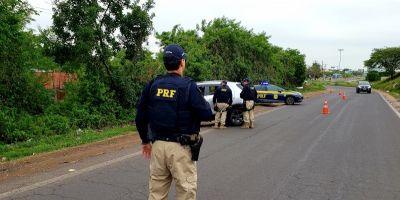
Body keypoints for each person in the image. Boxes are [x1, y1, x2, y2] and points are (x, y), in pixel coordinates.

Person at [135, 44, 212, 200]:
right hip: (181, 148)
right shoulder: (188, 86)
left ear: (165, 63)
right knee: (185, 191)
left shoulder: (152, 85)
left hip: (157, 147)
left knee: (156, 194)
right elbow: (206, 113)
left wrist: (145, 141)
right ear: (182, 62)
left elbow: (140, 116)